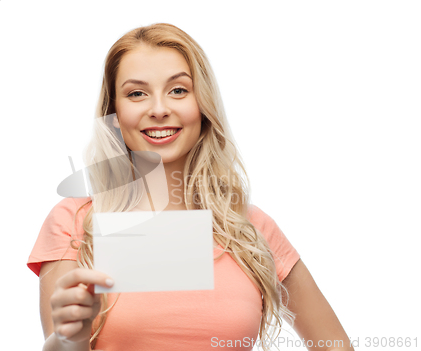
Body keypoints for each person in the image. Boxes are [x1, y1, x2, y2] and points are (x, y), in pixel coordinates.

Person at [27, 23, 354, 351]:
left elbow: (334, 345)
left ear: (203, 105)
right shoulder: (74, 222)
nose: (158, 109)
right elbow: (59, 345)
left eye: (178, 90)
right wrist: (71, 339)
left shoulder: (251, 229)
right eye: (136, 93)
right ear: (114, 112)